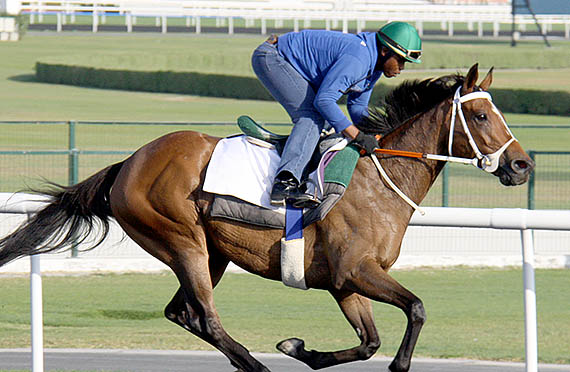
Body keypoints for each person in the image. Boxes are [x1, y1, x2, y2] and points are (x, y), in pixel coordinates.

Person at [251, 21, 422, 208]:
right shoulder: (359, 59)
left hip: (292, 64)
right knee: (313, 116)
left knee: (328, 124)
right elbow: (324, 101)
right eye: (401, 60)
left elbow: (357, 107)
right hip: (273, 57)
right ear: (384, 51)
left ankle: (301, 166)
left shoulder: (374, 67)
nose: (401, 68)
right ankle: (284, 183)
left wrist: (375, 135)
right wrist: (357, 135)